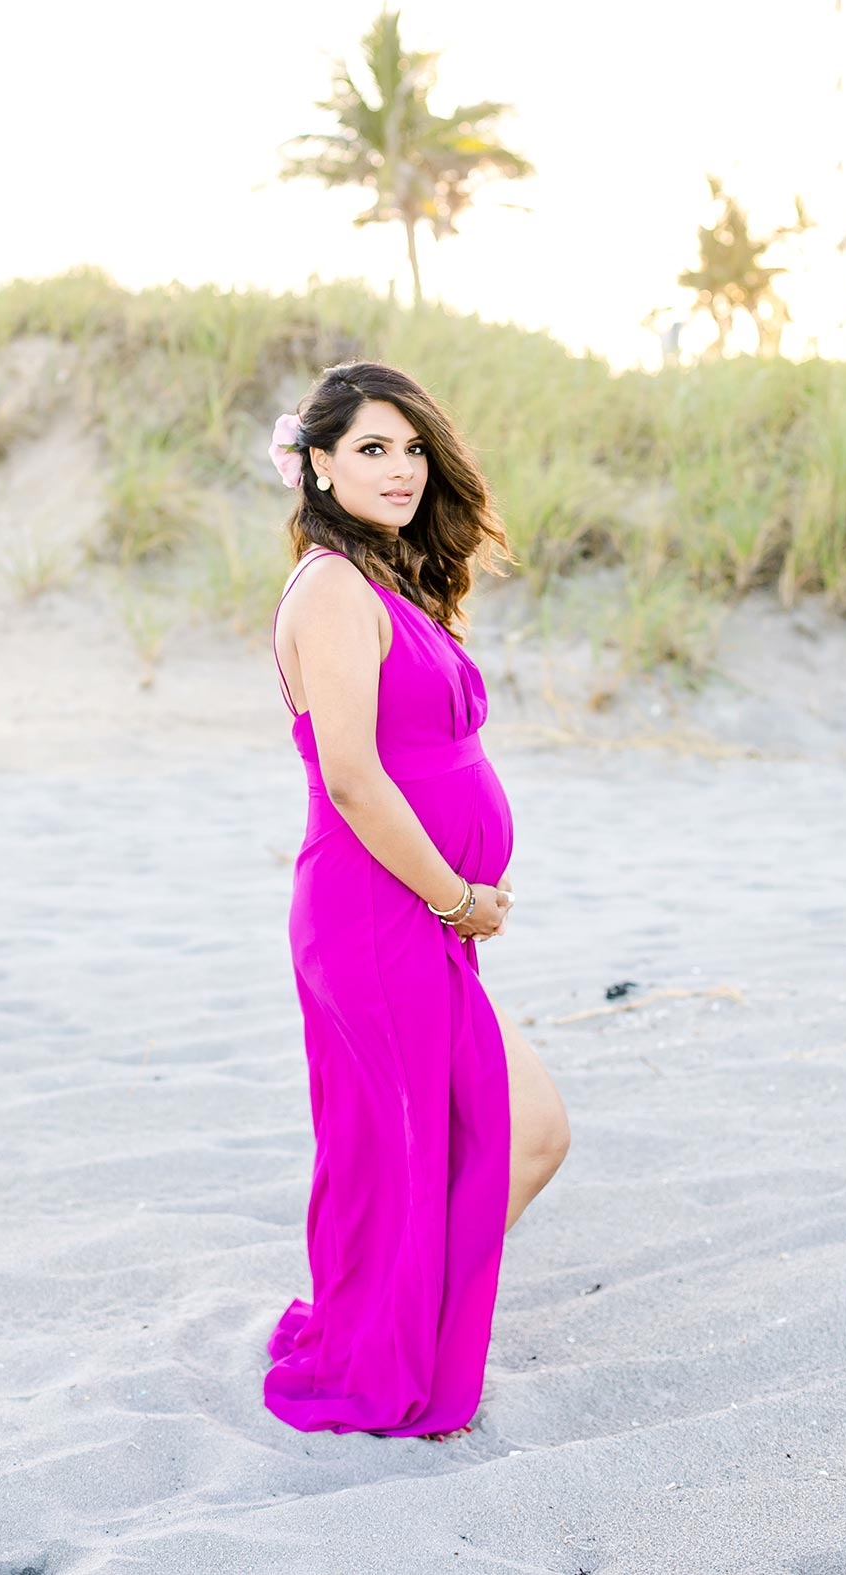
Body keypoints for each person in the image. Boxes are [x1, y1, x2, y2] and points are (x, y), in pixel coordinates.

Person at [264, 361, 571, 1442]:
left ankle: (402, 1318)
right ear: (318, 463)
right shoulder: (335, 589)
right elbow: (351, 776)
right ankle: (392, 1335)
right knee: (516, 1131)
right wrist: (456, 900)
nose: (399, 469)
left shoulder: (382, 579)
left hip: (406, 909)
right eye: (370, 449)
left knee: (464, 1139)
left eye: (410, 448)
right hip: (384, 908)